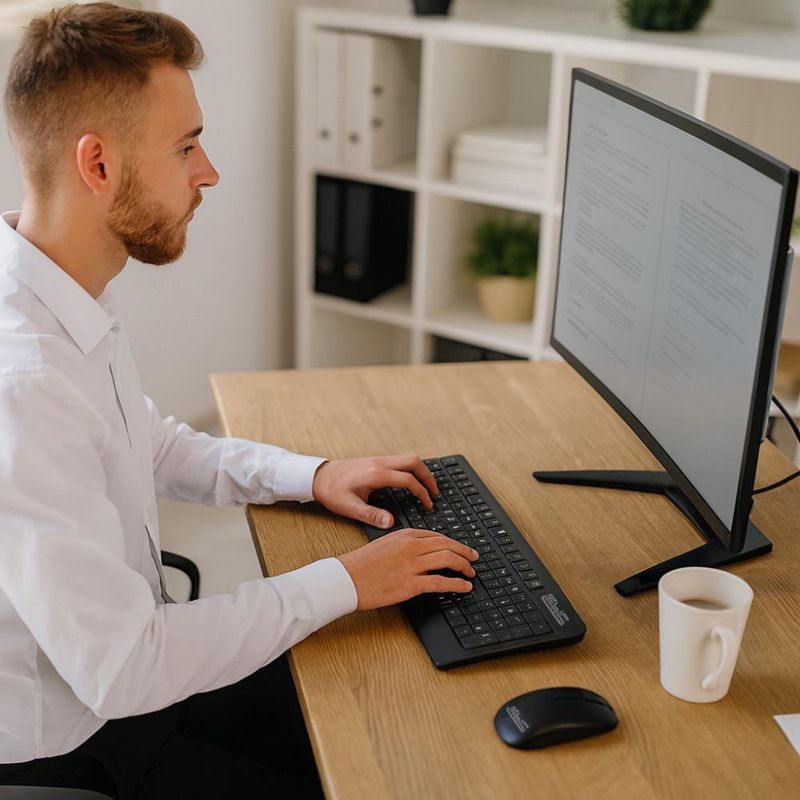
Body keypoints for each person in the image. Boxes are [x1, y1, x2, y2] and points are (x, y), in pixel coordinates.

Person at [0, 3, 479, 797]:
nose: (209, 170)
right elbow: (124, 670)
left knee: (386, 701)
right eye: (185, 146)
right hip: (90, 743)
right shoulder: (26, 385)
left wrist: (313, 474)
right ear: (98, 166)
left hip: (136, 678)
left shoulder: (53, 288)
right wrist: (347, 580)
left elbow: (145, 443)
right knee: (374, 759)